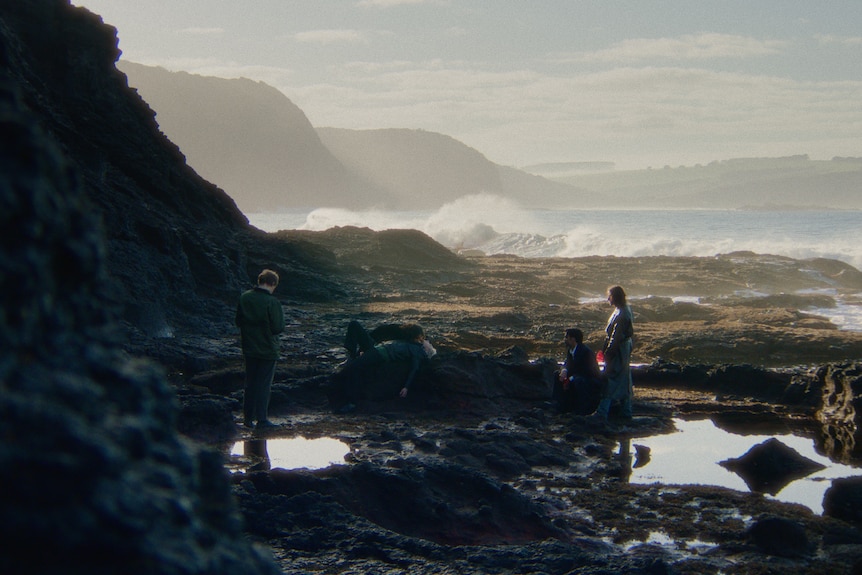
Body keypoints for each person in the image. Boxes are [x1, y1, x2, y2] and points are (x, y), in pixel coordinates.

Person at [332, 320, 435, 412]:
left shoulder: (418, 351)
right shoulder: (407, 341)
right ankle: (351, 355)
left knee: (354, 369)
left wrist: (406, 387)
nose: (425, 340)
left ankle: (352, 403)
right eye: (423, 337)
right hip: (375, 347)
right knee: (354, 324)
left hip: (379, 354)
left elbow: (415, 368)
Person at [235, 269, 285, 429]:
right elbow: (278, 327)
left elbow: (238, 321)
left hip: (249, 347)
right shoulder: (272, 302)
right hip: (267, 349)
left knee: (250, 383)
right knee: (263, 385)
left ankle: (247, 418)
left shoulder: (245, 298)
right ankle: (262, 419)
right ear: (272, 284)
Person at [590, 285, 634, 422]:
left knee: (611, 377)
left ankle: (603, 411)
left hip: (619, 350)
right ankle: (626, 410)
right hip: (622, 349)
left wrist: (608, 353)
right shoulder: (622, 310)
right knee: (623, 377)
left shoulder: (622, 314)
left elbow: (616, 337)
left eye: (609, 296)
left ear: (615, 297)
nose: (608, 298)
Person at [552, 328, 602, 414]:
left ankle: (582, 409)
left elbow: (588, 371)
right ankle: (560, 404)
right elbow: (567, 363)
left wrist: (570, 378)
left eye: (566, 337)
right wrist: (564, 371)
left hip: (589, 379)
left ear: (573, 339)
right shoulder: (571, 350)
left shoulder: (585, 352)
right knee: (557, 375)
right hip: (577, 376)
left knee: (578, 381)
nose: (565, 340)